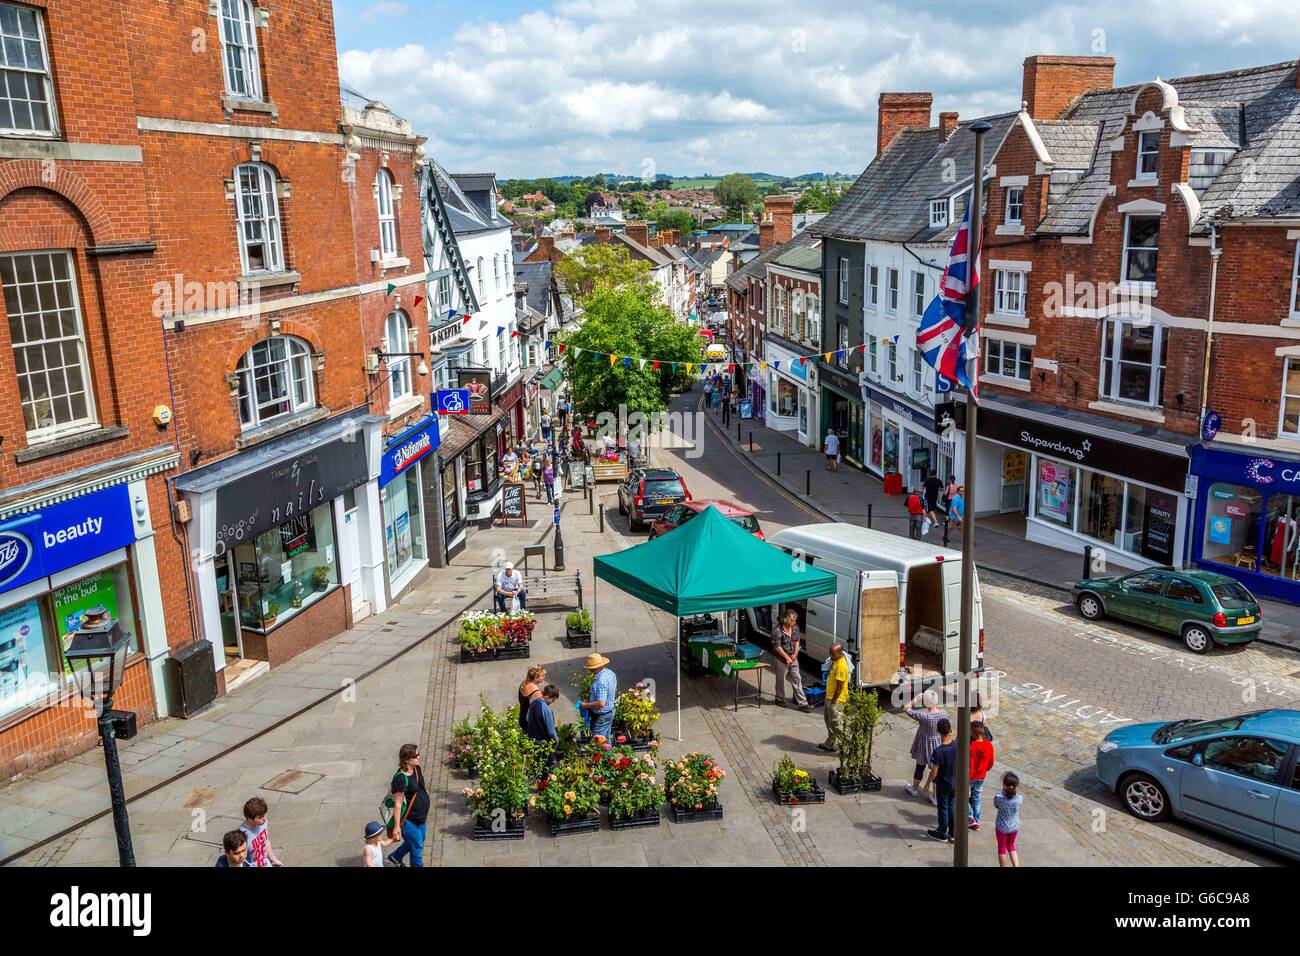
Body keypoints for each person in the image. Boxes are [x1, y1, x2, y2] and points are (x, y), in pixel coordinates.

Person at [387, 744, 429, 868]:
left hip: (420, 817)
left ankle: (396, 856)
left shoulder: (416, 769)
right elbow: (398, 804)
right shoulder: (400, 778)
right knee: (417, 846)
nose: (419, 757)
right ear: (406, 760)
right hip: (408, 820)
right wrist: (396, 827)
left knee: (419, 840)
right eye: (415, 756)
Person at [905, 691, 947, 805]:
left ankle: (914, 789)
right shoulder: (944, 714)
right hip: (937, 743)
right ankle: (935, 797)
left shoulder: (924, 716)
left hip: (924, 744)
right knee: (936, 770)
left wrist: (916, 699)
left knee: (920, 766)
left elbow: (907, 708)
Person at [771, 609, 813, 712]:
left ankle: (803, 703)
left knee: (797, 679)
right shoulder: (777, 631)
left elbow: (797, 640)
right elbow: (777, 647)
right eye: (792, 621)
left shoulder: (795, 627)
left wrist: (795, 654)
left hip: (793, 658)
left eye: (795, 621)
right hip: (781, 659)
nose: (794, 623)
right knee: (781, 680)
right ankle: (779, 698)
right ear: (785, 620)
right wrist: (786, 657)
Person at [924, 718, 957, 843]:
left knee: (943, 808)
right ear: (950, 730)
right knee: (952, 806)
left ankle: (942, 833)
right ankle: (952, 832)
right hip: (955, 782)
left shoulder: (938, 752)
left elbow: (934, 771)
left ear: (938, 731)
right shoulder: (957, 746)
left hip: (943, 784)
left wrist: (927, 784)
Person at [818, 643, 850, 751]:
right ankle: (831, 743)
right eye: (830, 653)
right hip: (830, 697)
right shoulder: (835, 660)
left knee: (837, 725)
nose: (830, 655)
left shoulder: (841, 666)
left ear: (840, 653)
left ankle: (850, 746)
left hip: (836, 700)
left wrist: (833, 701)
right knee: (829, 722)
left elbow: (840, 687)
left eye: (833, 654)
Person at [578, 652, 617, 741]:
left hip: (602, 715)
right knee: (606, 738)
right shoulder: (610, 673)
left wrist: (586, 705)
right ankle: (608, 753)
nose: (590, 670)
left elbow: (601, 703)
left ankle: (602, 754)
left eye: (591, 668)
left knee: (597, 742)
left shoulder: (600, 682)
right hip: (610, 711)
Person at [238, 796, 283, 867]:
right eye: (260, 817)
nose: (264, 819)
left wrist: (274, 860)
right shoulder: (242, 834)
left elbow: (266, 841)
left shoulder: (263, 823)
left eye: (264, 815)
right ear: (249, 818)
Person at [969, 722, 996, 830]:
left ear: (973, 733)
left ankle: (971, 818)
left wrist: (968, 777)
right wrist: (986, 769)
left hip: (971, 776)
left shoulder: (971, 746)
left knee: (964, 797)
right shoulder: (988, 745)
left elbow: (970, 764)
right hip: (982, 775)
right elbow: (991, 761)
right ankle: (977, 820)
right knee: (976, 797)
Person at [994, 772, 1023, 867]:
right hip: (1014, 826)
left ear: (1004, 784)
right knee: (1011, 846)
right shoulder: (1019, 799)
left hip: (1001, 827)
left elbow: (996, 806)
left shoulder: (998, 798)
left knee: (1002, 848)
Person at [518, 666, 546, 730]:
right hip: (529, 723)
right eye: (542, 675)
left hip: (522, 718)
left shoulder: (524, 683)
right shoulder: (537, 693)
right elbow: (539, 712)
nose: (544, 677)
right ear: (535, 678)